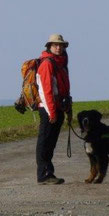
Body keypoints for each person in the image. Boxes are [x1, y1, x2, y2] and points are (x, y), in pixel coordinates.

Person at [36, 33, 72, 185]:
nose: (58, 47)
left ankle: (48, 173)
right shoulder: (47, 64)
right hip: (48, 109)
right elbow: (46, 91)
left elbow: (64, 89)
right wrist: (51, 112)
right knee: (45, 142)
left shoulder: (61, 62)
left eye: (61, 45)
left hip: (57, 107)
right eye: (55, 45)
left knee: (50, 143)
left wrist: (68, 109)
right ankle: (44, 175)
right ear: (49, 47)